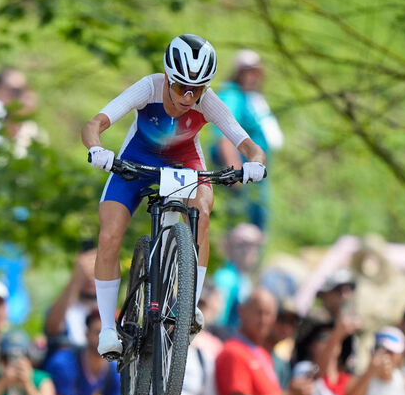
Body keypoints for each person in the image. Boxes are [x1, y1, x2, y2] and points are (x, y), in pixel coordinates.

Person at [82, 34, 267, 359]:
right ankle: (109, 330)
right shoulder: (148, 87)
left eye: (198, 89)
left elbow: (249, 145)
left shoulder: (206, 100)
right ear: (167, 77)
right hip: (136, 161)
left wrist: (255, 164)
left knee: (203, 210)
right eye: (182, 87)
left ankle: (188, 306)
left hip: (185, 163)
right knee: (110, 234)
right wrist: (97, 148)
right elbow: (95, 123)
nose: (189, 97)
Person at [210, 50, 283, 231]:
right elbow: (225, 135)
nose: (252, 77)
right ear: (238, 73)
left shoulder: (252, 97)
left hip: (254, 178)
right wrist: (234, 174)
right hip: (241, 178)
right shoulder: (233, 95)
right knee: (240, 230)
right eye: (247, 72)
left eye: (256, 72)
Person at [215, 288, 312, 395]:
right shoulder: (233, 351)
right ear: (241, 311)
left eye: (269, 314)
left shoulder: (260, 351)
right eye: (259, 313)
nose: (264, 320)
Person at [45, 314, 121, 395]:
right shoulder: (64, 364)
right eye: (98, 333)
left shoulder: (113, 368)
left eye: (110, 333)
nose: (105, 338)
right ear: (86, 334)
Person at [292, 317, 356, 395]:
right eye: (324, 337)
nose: (330, 341)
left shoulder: (347, 380)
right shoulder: (303, 368)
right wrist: (336, 336)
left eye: (336, 339)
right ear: (311, 346)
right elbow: (318, 373)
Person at [42, 247, 98, 353]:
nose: (90, 277)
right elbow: (51, 328)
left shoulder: (114, 314)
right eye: (86, 272)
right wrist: (75, 279)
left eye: (97, 270)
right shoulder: (66, 310)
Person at [211, 223, 264, 333]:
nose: (253, 252)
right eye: (247, 246)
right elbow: (217, 320)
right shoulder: (226, 278)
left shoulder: (244, 280)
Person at [307, 269, 358, 373]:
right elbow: (314, 368)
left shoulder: (350, 325)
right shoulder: (314, 320)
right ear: (326, 293)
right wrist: (337, 334)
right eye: (340, 289)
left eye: (349, 289)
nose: (345, 295)